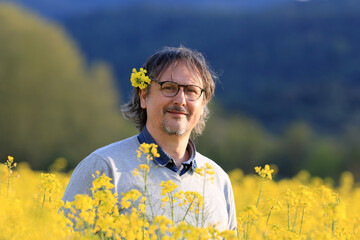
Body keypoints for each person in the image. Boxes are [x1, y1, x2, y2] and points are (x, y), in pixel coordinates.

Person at [62, 46, 237, 231]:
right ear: (144, 96)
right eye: (169, 87)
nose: (180, 100)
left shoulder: (219, 180)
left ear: (203, 104)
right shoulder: (104, 168)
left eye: (191, 91)